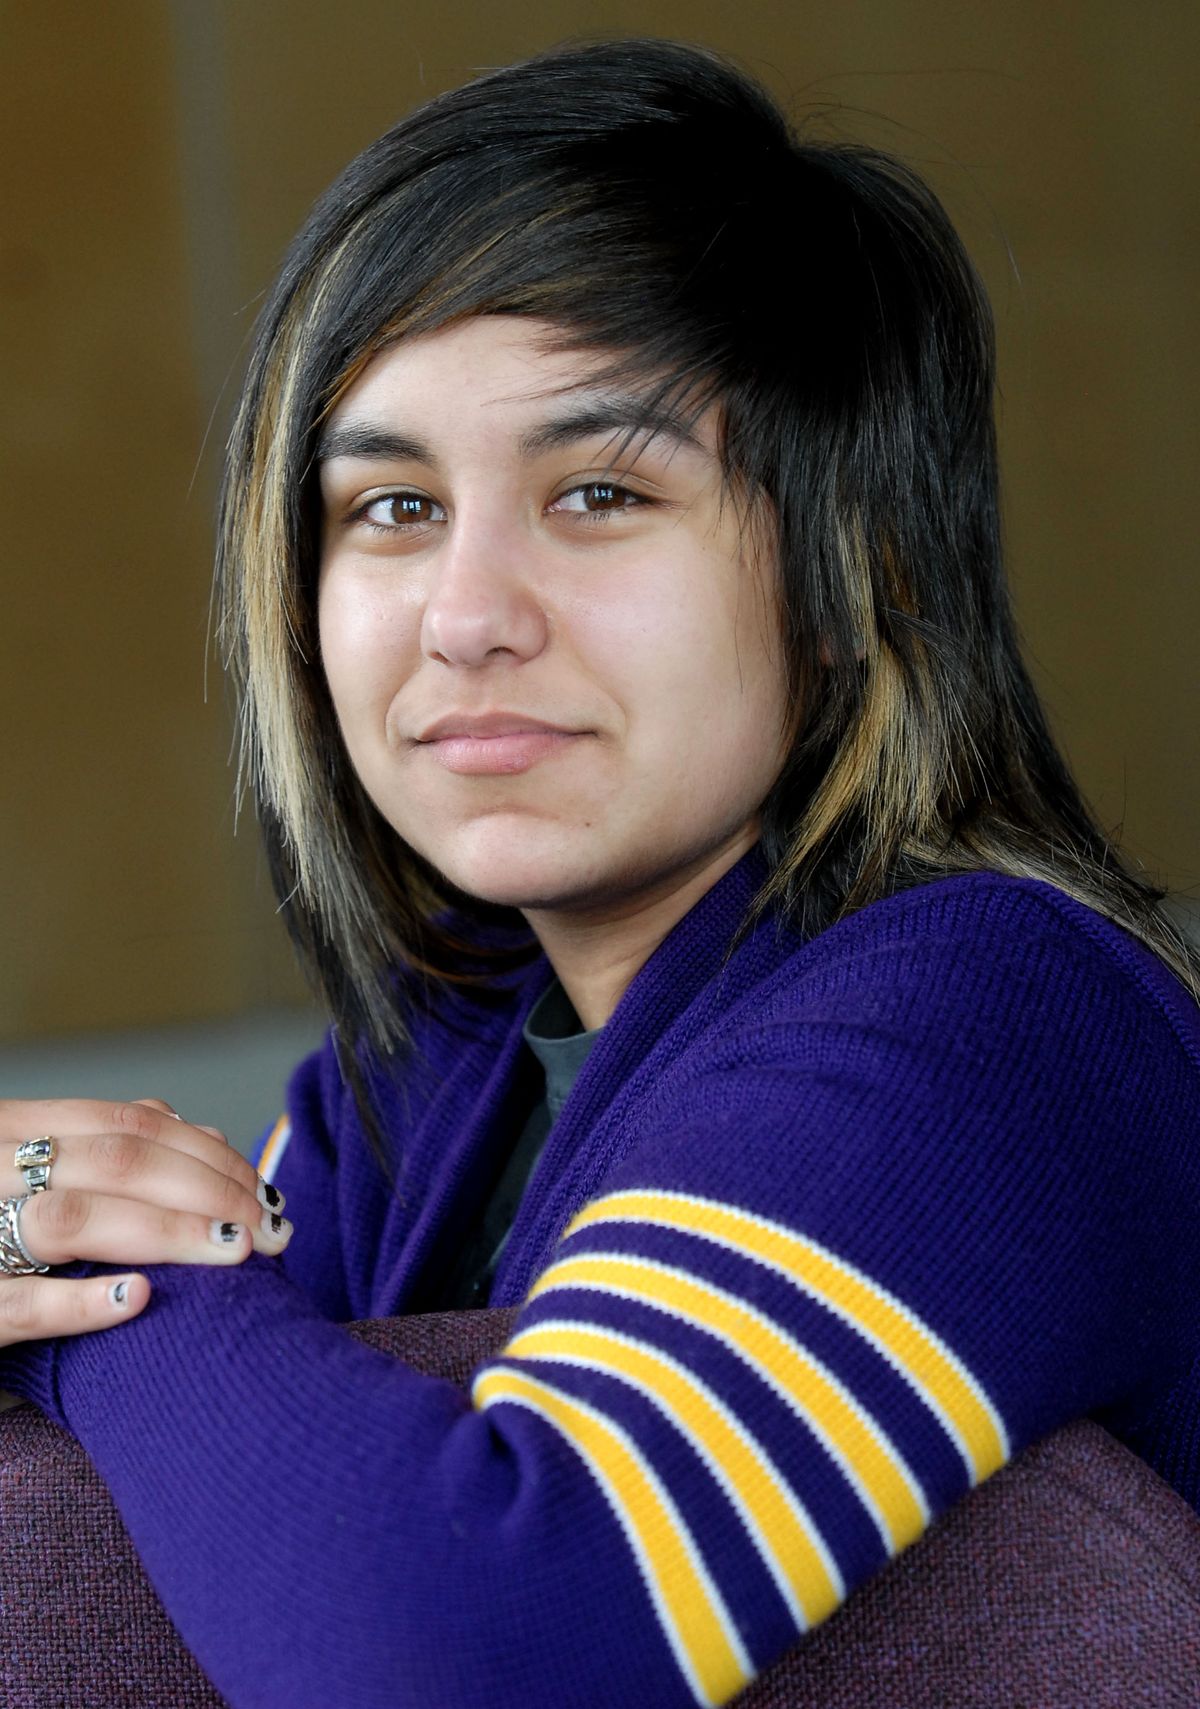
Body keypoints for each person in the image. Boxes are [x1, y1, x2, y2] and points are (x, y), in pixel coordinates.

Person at [2, 36, 1198, 1709]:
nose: (468, 611)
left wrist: (95, 1282)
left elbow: (469, 1646)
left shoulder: (991, 1014)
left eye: (599, 490)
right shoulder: (418, 1077)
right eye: (394, 509)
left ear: (859, 570)